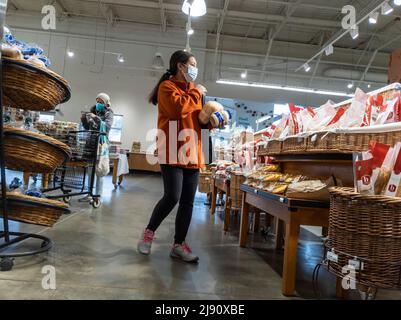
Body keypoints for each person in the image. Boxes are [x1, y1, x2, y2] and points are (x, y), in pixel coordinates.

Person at [137, 50, 208, 263]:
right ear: (180, 65)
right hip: (171, 149)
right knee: (172, 196)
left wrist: (213, 121)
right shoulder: (166, 88)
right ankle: (149, 233)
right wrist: (197, 92)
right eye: (192, 64)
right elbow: (178, 110)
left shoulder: (195, 93)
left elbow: (199, 121)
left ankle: (179, 244)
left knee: (188, 201)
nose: (195, 69)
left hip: (192, 151)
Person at [80, 93, 114, 200]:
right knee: (90, 170)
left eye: (101, 102)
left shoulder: (109, 113)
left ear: (106, 103)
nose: (98, 103)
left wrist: (96, 118)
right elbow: (87, 127)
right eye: (97, 101)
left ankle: (98, 196)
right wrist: (83, 119)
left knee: (99, 171)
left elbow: (107, 127)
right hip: (90, 143)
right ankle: (89, 194)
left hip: (100, 144)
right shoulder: (93, 111)